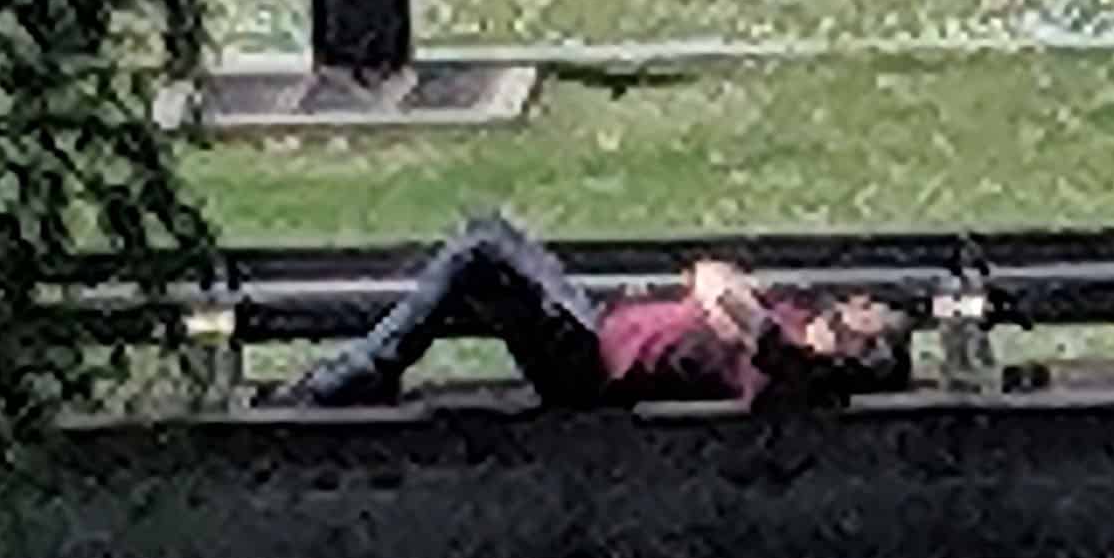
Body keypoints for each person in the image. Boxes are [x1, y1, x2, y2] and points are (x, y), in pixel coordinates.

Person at [276, 213, 915, 410]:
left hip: (592, 365)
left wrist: (726, 301)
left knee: (481, 248)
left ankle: (363, 370)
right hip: (600, 327)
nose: (859, 303)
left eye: (868, 315)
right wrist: (720, 296)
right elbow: (710, 276)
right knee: (486, 244)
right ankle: (367, 366)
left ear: (858, 351)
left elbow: (726, 294)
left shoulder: (793, 365)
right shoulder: (793, 327)